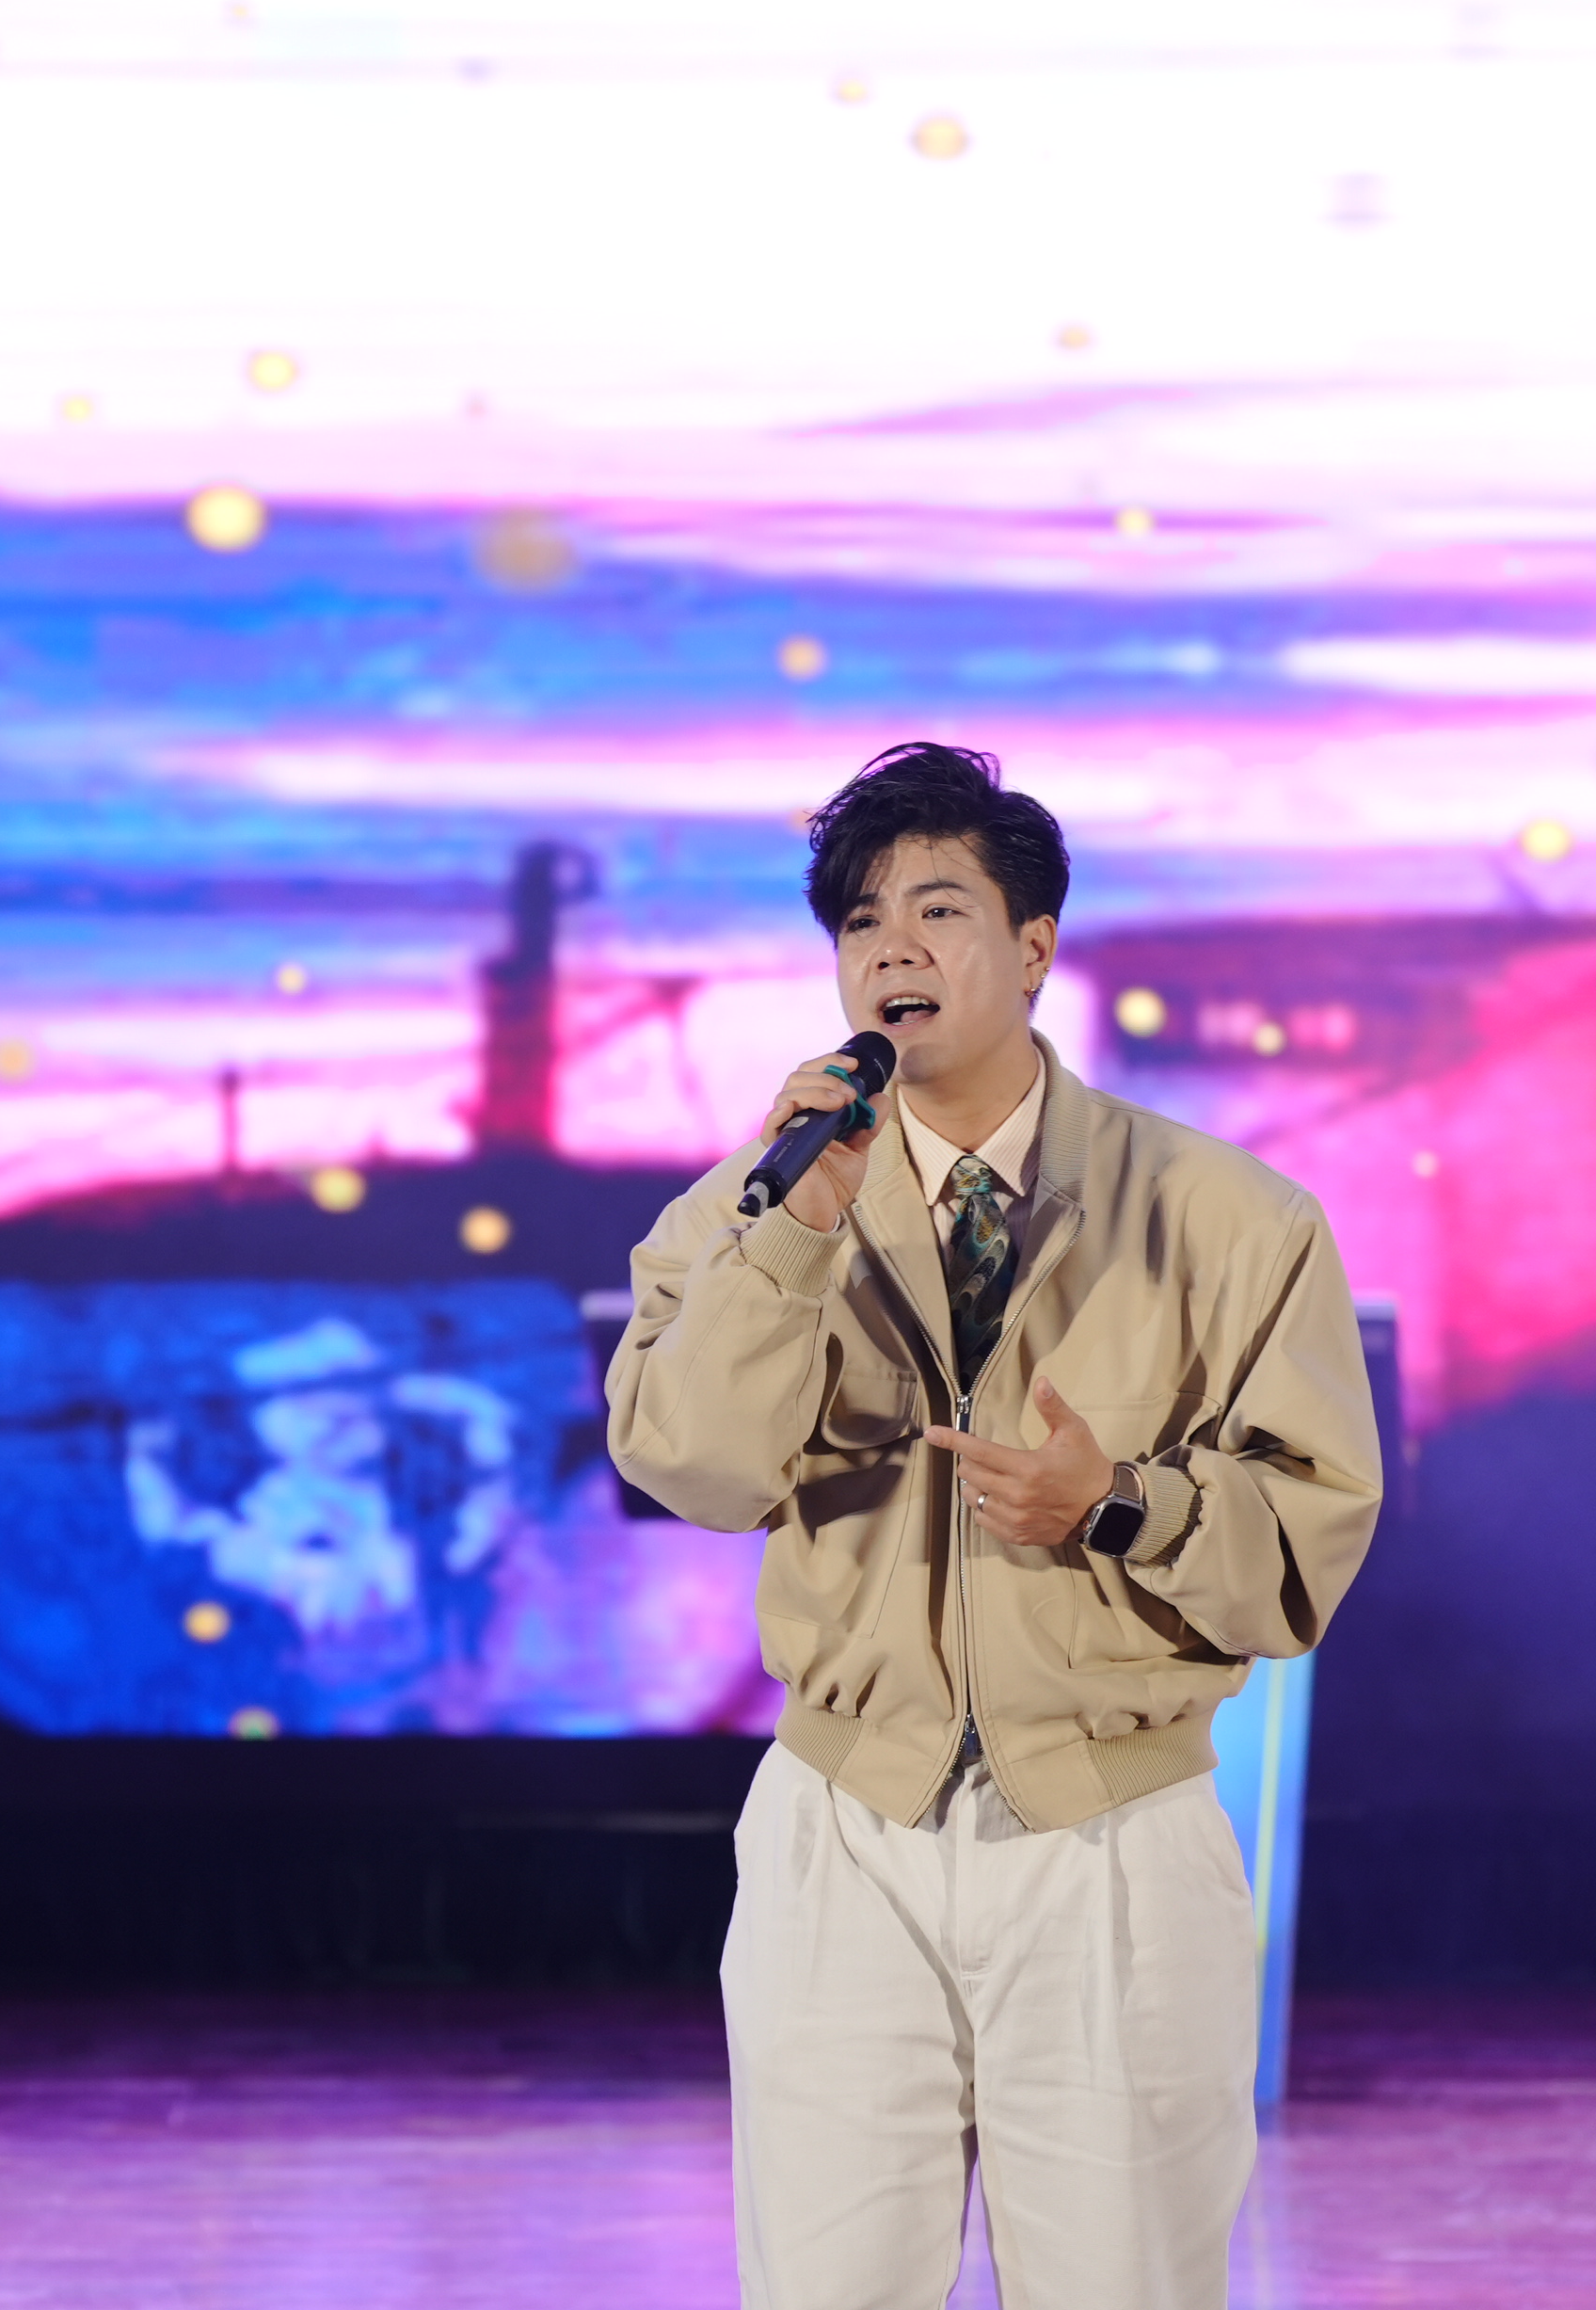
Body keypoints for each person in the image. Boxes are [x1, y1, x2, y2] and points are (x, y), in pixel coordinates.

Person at [608, 742, 1381, 2310]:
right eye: (861, 921)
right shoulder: (754, 1205)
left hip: (1111, 1835)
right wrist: (792, 1242)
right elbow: (691, 1466)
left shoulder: (1231, 1217)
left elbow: (1307, 1543)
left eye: (938, 910)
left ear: (1034, 949)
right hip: (843, 1824)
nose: (892, 947)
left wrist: (1118, 1502)